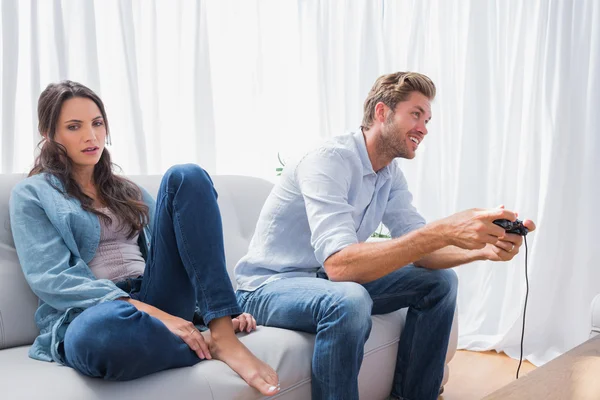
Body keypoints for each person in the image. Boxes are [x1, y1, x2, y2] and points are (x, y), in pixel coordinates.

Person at [234, 72, 536, 400]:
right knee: (349, 299)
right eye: (416, 114)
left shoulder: (389, 174)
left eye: (427, 119)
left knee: (440, 283)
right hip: (267, 289)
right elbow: (340, 267)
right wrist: (444, 229)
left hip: (322, 281)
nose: (423, 128)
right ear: (382, 113)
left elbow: (421, 249)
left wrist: (483, 249)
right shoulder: (327, 161)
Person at [9, 81, 280, 396]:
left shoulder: (128, 191)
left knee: (187, 176)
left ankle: (220, 333)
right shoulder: (33, 194)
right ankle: (204, 342)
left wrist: (215, 312)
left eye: (97, 123)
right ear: (49, 135)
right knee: (96, 340)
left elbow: (181, 250)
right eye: (74, 127)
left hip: (156, 293)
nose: (91, 136)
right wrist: (161, 318)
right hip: (98, 312)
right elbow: (53, 278)